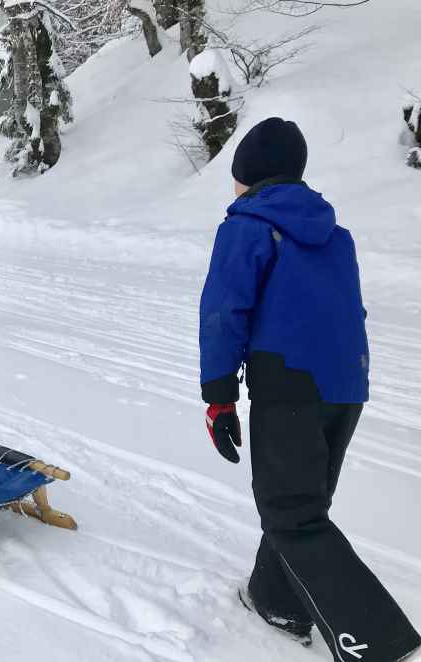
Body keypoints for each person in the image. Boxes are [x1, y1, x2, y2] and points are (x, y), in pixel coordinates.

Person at [199, 117, 420, 661]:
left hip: (288, 385)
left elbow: (224, 313)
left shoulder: (246, 225)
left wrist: (219, 395)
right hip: (346, 384)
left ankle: (380, 645)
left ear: (247, 174)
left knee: (292, 512)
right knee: (302, 501)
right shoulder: (333, 233)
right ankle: (276, 599)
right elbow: (349, 311)